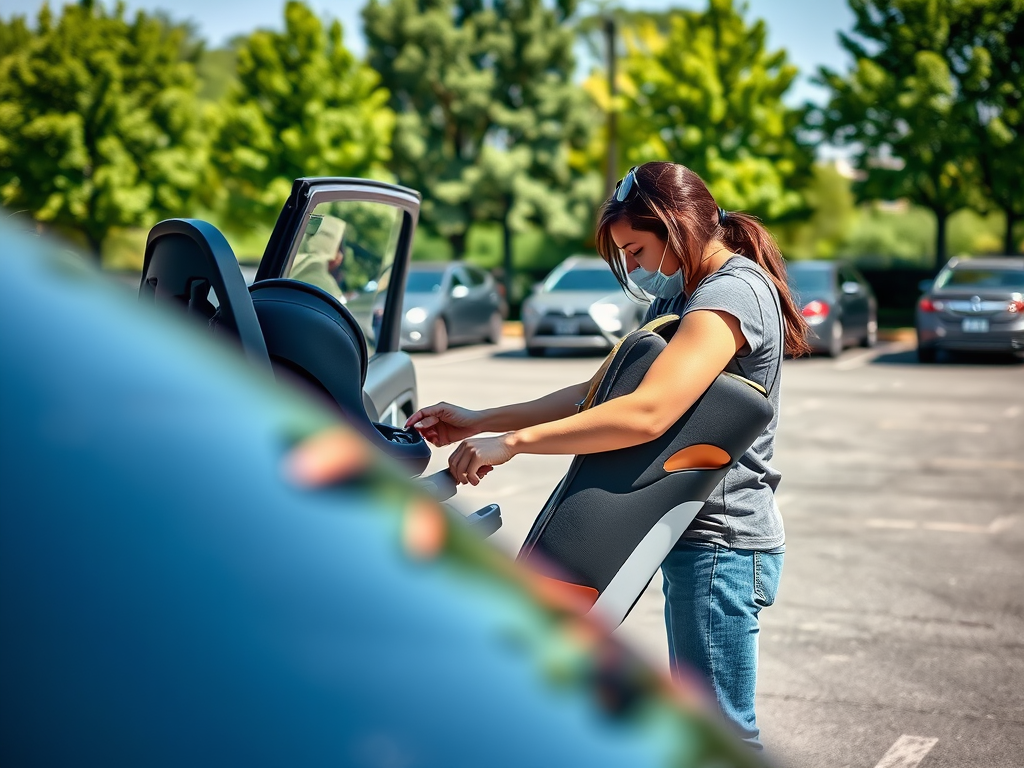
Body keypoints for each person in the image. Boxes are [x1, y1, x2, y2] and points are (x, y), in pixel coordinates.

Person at [405, 162, 810, 749]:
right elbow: (598, 395)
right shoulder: (686, 292)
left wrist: (514, 444)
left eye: (638, 249)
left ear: (677, 229)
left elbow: (647, 412)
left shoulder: (731, 294)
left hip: (722, 541)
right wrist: (483, 419)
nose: (638, 267)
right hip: (690, 532)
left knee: (723, 737)